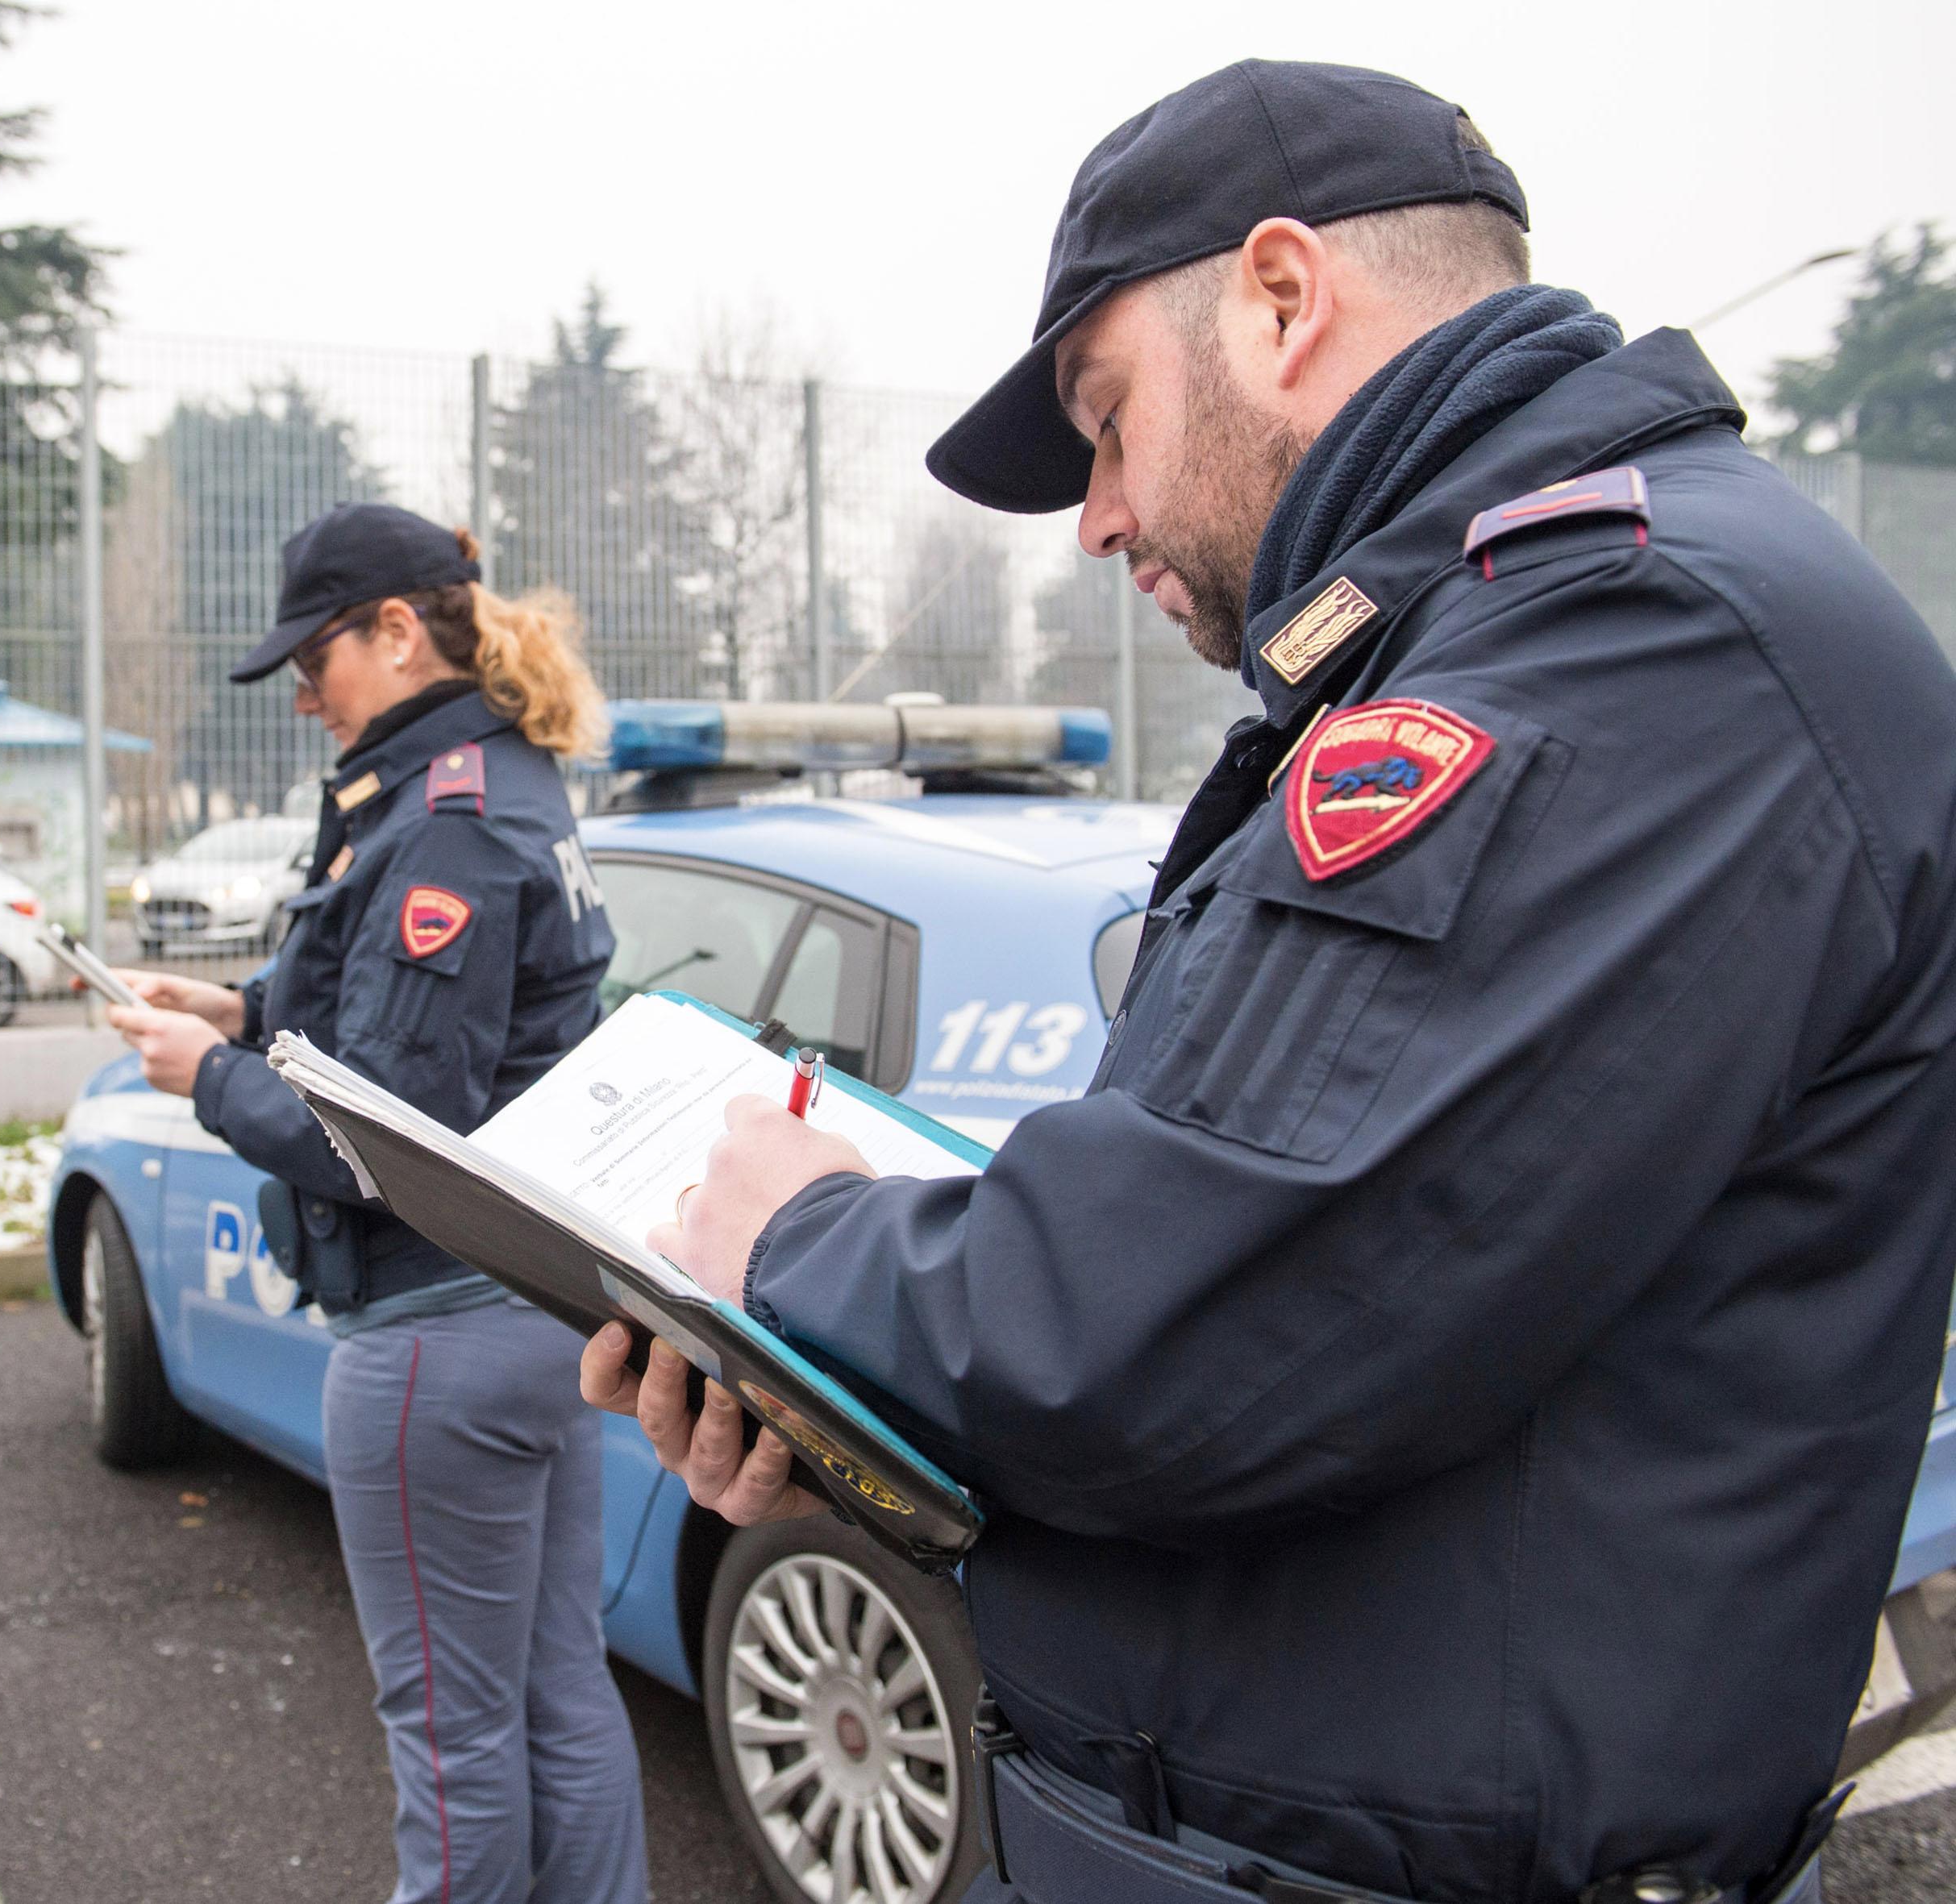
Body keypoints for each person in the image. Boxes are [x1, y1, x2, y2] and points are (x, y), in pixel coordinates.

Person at [582, 60, 1956, 1904]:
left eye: (1103, 415)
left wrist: (796, 1245)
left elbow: (1197, 1324)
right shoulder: (1491, 639)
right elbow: (1302, 1320)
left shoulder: (1631, 639)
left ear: (1282, 298)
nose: (1092, 514)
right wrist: (853, 1421)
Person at [107, 501, 646, 1904]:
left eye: (318, 654)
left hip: (434, 1336)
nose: (301, 687)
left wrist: (206, 1075)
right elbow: (399, 1023)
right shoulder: (491, 782)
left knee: (457, 1732)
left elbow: (389, 1139)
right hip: (540, 1316)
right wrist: (231, 1005)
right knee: (556, 1697)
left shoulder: (444, 819)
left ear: (398, 632)